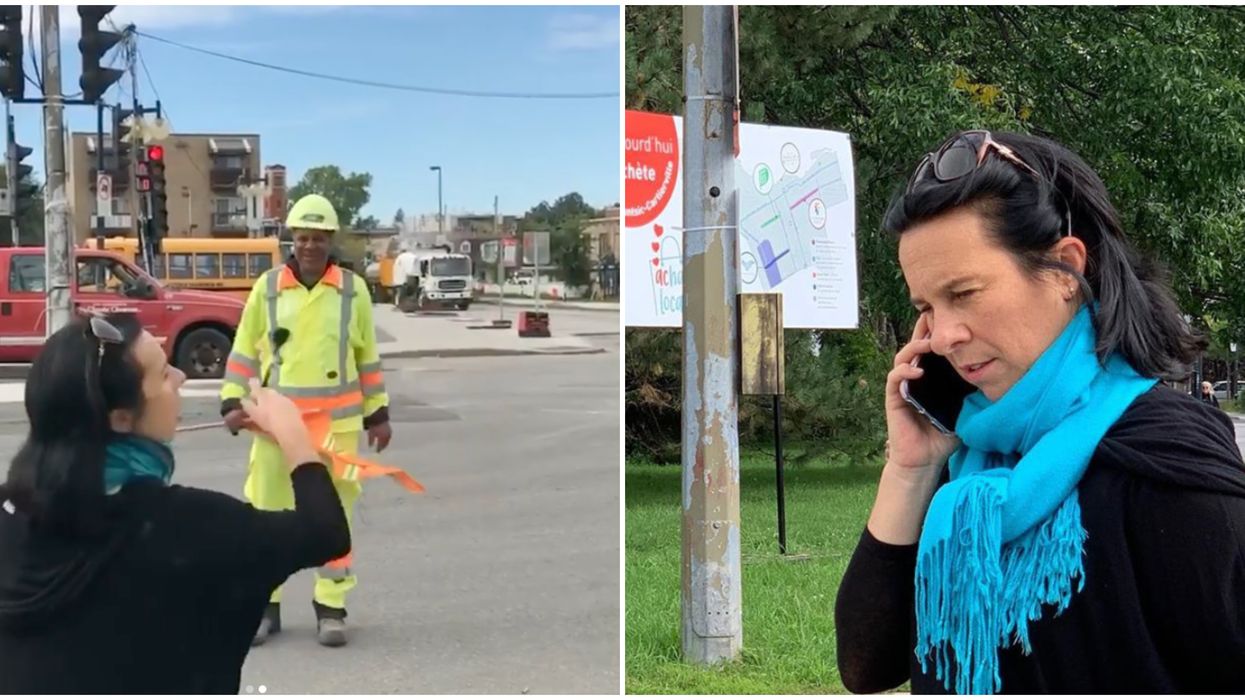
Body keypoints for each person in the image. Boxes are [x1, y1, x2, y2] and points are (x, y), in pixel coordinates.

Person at [834, 130, 1245, 694]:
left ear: (1062, 272)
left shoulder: (1167, 461)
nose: (945, 336)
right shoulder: (971, 463)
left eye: (965, 293)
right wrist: (909, 471)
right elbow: (868, 667)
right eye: (927, 306)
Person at [0, 313, 349, 693]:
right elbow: (324, 532)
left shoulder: (11, 511)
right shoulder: (192, 527)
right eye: (164, 374)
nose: (180, 378)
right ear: (121, 418)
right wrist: (291, 433)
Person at [221, 193, 393, 648]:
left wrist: (379, 414)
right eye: (302, 238)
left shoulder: (353, 291)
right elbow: (242, 351)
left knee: (336, 518)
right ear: (290, 240)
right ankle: (264, 605)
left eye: (319, 238)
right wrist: (232, 401)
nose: (311, 246)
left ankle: (331, 608)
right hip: (278, 428)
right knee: (265, 515)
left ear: (330, 240)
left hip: (336, 430)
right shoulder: (269, 288)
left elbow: (367, 359)